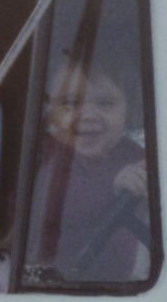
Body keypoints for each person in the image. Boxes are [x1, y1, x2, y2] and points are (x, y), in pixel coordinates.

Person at [25, 56, 151, 282]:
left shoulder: (134, 156)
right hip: (51, 281)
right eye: (71, 103)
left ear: (129, 110)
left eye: (105, 103)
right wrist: (112, 186)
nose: (87, 115)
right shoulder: (54, 160)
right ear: (53, 114)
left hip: (118, 283)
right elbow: (60, 204)